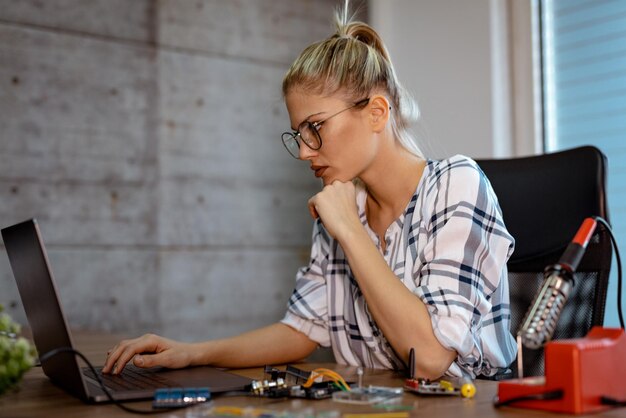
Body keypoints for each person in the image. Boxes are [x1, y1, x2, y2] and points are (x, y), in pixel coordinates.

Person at [103, 1, 516, 380]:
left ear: (376, 112)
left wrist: (351, 233)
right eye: (298, 134)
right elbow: (302, 329)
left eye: (315, 128)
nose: (303, 152)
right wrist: (192, 353)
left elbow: (429, 357)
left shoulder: (456, 185)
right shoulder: (342, 204)